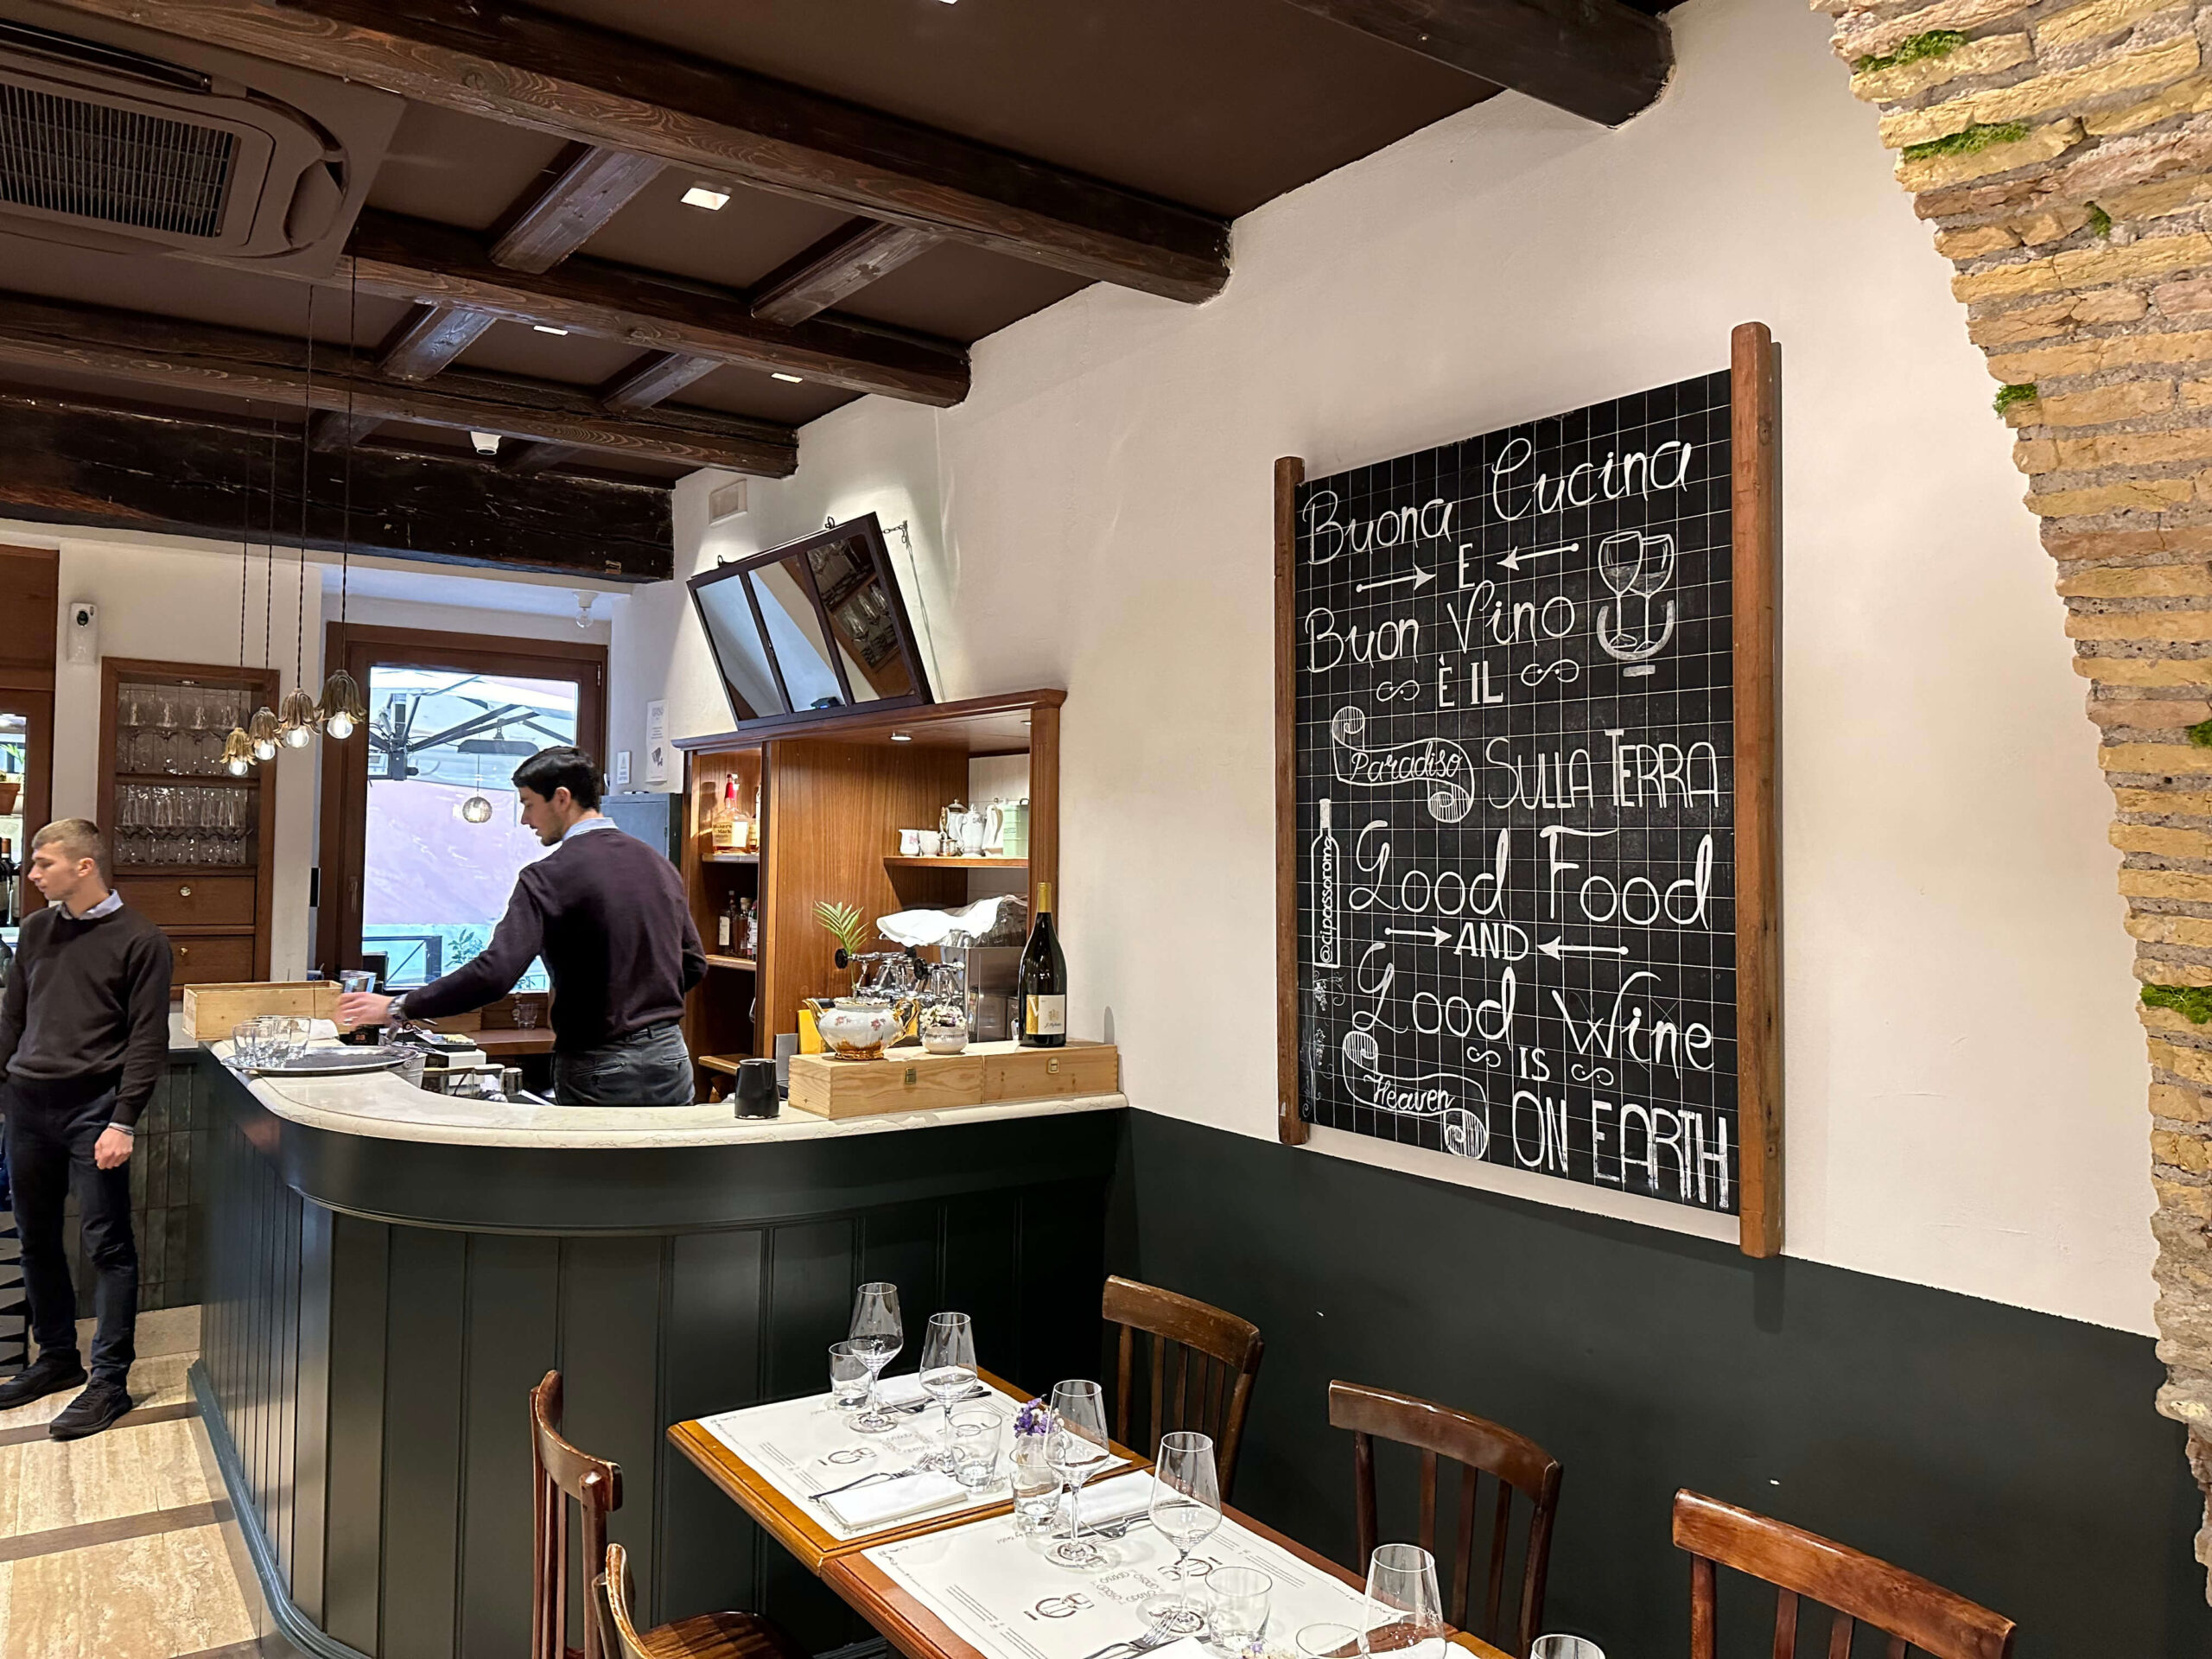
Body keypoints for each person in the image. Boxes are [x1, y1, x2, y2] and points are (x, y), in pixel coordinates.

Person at [338, 747, 705, 1105]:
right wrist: (638, 1001)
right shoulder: (657, 864)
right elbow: (693, 963)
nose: (525, 820)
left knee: (599, 1153)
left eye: (528, 804)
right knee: (665, 1151)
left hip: (600, 1062)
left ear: (561, 798)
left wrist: (399, 1006)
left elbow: (495, 974)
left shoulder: (548, 877)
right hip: (670, 1058)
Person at [0, 819, 173, 1438]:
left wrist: (123, 1120)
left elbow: (148, 1040)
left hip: (93, 1110)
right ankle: (56, 1359)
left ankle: (109, 1382)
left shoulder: (141, 940)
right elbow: (12, 1017)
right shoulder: (35, 929)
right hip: (26, 1107)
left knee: (108, 1246)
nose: (32, 875)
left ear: (84, 866)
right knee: (35, 1239)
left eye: (43, 863)